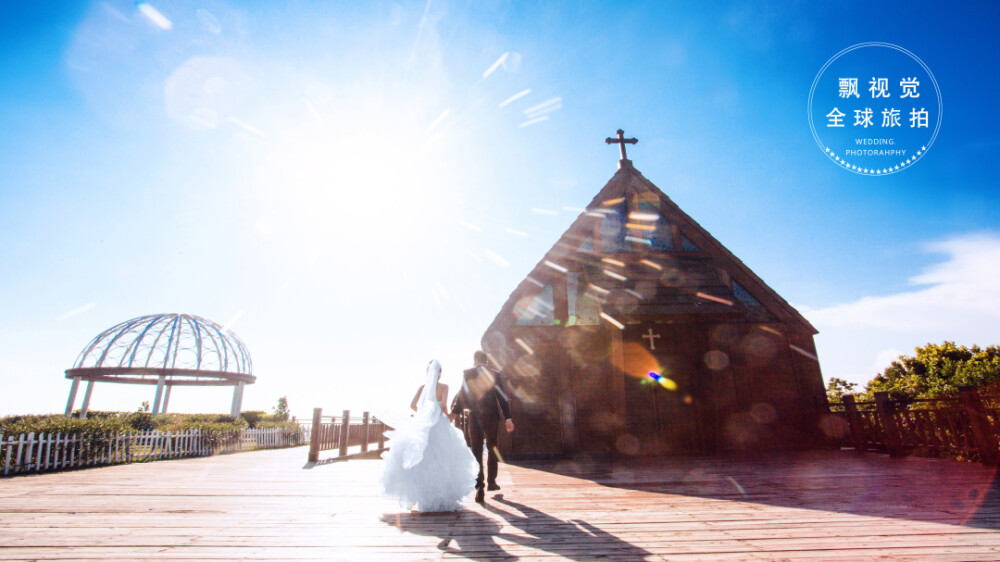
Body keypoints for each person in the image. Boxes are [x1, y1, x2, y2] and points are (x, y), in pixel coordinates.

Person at [379, 360, 478, 512]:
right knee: (442, 459)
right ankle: (440, 498)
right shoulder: (444, 387)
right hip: (438, 423)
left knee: (423, 459)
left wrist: (424, 412)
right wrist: (447, 415)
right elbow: (444, 404)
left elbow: (412, 405)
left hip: (424, 424)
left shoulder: (423, 388)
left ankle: (420, 497)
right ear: (440, 373)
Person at [450, 350, 514, 503]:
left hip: (474, 417)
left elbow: (462, 394)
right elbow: (502, 398)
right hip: (492, 416)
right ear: (486, 362)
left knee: (476, 449)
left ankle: (480, 486)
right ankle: (492, 482)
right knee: (493, 447)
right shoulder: (495, 374)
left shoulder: (467, 373)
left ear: (474, 361)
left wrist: (454, 413)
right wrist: (508, 418)